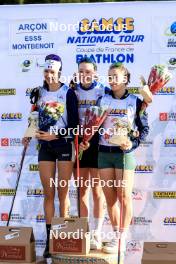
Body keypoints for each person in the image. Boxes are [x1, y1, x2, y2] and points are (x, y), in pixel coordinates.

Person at [80, 63, 149, 258]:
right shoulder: (103, 99)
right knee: (110, 198)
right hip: (104, 153)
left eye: (115, 76)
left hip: (123, 155)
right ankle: (116, 235)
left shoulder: (135, 101)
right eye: (109, 76)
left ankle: (122, 236)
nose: (111, 79)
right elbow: (94, 126)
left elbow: (144, 130)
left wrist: (133, 144)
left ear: (125, 79)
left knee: (124, 196)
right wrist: (87, 142)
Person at [22, 54, 79, 258]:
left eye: (52, 72)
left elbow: (74, 127)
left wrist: (56, 134)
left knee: (63, 195)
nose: (49, 75)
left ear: (59, 72)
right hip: (45, 147)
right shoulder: (38, 92)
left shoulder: (68, 93)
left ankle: (61, 239)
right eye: (46, 71)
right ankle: (49, 240)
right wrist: (28, 134)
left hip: (63, 144)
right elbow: (35, 117)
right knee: (49, 193)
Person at [70, 57, 109, 250]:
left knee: (97, 191)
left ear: (95, 72)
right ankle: (84, 232)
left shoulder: (103, 89)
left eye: (88, 71)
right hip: (79, 144)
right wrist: (78, 140)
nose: (85, 74)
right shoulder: (72, 90)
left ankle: (97, 233)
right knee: (82, 190)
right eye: (81, 71)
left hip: (97, 144)